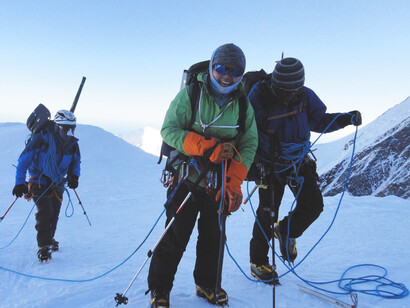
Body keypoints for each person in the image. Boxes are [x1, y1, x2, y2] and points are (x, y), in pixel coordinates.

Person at [147, 43, 257, 307]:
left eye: (235, 71)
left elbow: (249, 143)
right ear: (211, 67)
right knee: (175, 235)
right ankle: (159, 290)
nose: (227, 76)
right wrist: (207, 147)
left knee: (214, 236)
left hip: (220, 182)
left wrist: (233, 184)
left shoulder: (242, 104)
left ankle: (207, 284)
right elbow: (169, 130)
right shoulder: (191, 94)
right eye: (221, 68)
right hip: (186, 177)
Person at [247, 57, 362, 283]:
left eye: (293, 90)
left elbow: (319, 122)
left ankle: (287, 230)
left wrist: (346, 119)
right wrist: (252, 167)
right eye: (283, 90)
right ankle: (258, 262)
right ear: (275, 83)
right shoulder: (258, 97)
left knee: (313, 205)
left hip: (297, 161)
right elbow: (247, 134)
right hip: (268, 165)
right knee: (267, 213)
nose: (288, 95)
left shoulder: (305, 95)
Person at [12, 110, 81, 261]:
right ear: (57, 126)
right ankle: (44, 246)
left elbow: (76, 163)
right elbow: (23, 161)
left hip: (57, 184)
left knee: (54, 213)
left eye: (71, 128)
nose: (68, 132)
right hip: (38, 182)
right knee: (46, 212)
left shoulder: (72, 145)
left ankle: (49, 239)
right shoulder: (41, 139)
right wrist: (19, 184)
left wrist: (74, 176)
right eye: (65, 128)